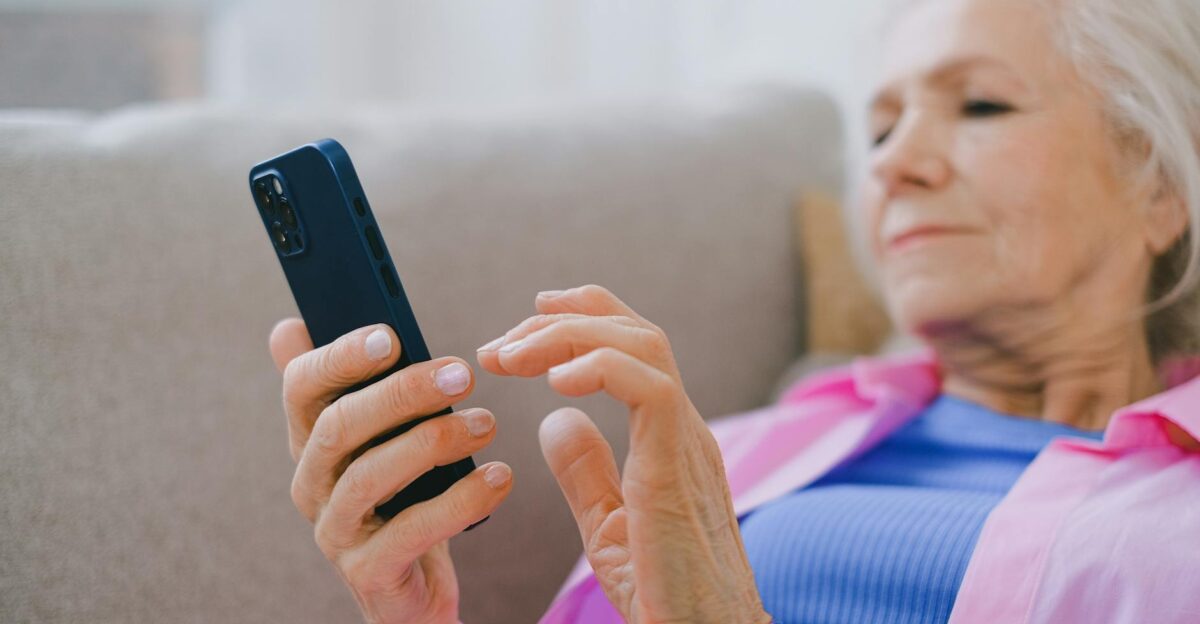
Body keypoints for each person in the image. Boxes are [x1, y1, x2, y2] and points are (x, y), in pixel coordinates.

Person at [266, 0, 1200, 621]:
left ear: (1158, 184)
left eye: (982, 104)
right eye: (878, 130)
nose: (892, 163)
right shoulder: (733, 458)